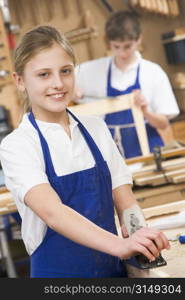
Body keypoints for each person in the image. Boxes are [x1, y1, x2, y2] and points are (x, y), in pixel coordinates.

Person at [0, 26, 170, 278]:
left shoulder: (96, 129)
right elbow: (53, 213)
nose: (58, 83)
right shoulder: (18, 145)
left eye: (66, 71)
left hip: (114, 270)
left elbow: (126, 201)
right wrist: (121, 245)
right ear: (20, 81)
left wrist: (140, 240)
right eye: (44, 74)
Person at [75, 10, 180, 158]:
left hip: (149, 150)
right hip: (112, 152)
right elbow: (61, 81)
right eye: (116, 47)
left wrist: (145, 111)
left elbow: (163, 124)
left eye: (127, 46)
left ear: (139, 39)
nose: (122, 53)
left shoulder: (153, 72)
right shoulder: (92, 70)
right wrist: (71, 90)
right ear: (109, 42)